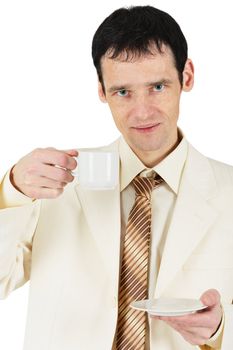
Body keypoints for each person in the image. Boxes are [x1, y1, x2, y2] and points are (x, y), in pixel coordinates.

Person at [0, 5, 232, 350]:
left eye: (157, 86)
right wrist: (11, 193)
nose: (141, 111)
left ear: (187, 76)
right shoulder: (55, 183)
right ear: (101, 90)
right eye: (122, 91)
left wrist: (221, 331)